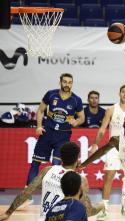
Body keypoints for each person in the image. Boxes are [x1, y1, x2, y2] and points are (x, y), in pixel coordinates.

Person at [0, 142, 103, 221]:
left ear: (61, 157)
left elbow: (27, 192)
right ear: (77, 159)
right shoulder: (79, 180)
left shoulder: (47, 170)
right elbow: (88, 211)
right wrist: (101, 206)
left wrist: (9, 212)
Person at [23, 73, 85, 208]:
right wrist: (39, 126)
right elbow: (40, 110)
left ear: (72, 84)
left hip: (63, 136)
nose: (67, 84)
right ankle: (27, 197)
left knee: (56, 166)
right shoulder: (51, 94)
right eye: (65, 82)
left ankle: (53, 196)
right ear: (60, 82)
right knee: (35, 163)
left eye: (70, 82)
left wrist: (76, 121)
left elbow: (82, 117)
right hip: (47, 133)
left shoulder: (76, 100)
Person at [89, 85, 125, 221]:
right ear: (119, 94)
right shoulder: (111, 109)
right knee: (109, 175)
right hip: (114, 147)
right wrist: (95, 144)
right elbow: (102, 129)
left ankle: (124, 204)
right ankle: (104, 208)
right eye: (123, 92)